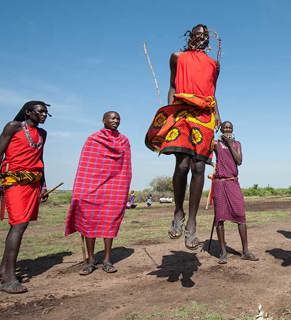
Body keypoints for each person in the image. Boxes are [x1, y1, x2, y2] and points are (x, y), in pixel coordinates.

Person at [145, 24, 221, 250]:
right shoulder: (177, 57)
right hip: (182, 111)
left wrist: (217, 115)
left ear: (208, 41)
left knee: (199, 167)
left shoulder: (214, 64)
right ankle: (178, 210)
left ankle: (192, 224)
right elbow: (171, 85)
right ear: (190, 37)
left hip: (205, 115)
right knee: (182, 165)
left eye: (205, 35)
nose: (201, 37)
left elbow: (213, 92)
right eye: (197, 33)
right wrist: (170, 112)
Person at [65, 111, 132, 275]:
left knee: (110, 222)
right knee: (90, 223)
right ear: (103, 120)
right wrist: (80, 191)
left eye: (118, 118)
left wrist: (123, 187)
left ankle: (108, 260)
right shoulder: (93, 139)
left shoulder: (124, 141)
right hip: (92, 187)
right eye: (112, 118)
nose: (115, 120)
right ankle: (91, 260)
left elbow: (126, 167)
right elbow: (85, 166)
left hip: (114, 187)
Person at [0, 101, 50, 293]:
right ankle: (9, 280)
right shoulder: (13, 127)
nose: (44, 115)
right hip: (14, 182)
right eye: (40, 112)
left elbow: (40, 160)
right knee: (19, 225)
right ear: (28, 112)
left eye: (46, 113)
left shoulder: (43, 134)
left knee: (20, 225)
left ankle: (4, 271)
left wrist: (43, 185)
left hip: (33, 184)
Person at [212, 121, 257, 264]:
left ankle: (245, 251)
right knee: (219, 217)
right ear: (221, 129)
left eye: (230, 128)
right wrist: (212, 165)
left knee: (240, 215)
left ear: (232, 130)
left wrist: (230, 143)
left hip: (232, 182)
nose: (227, 129)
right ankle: (223, 252)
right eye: (225, 127)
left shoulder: (237, 144)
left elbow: (239, 161)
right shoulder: (216, 144)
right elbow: (205, 154)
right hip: (219, 183)